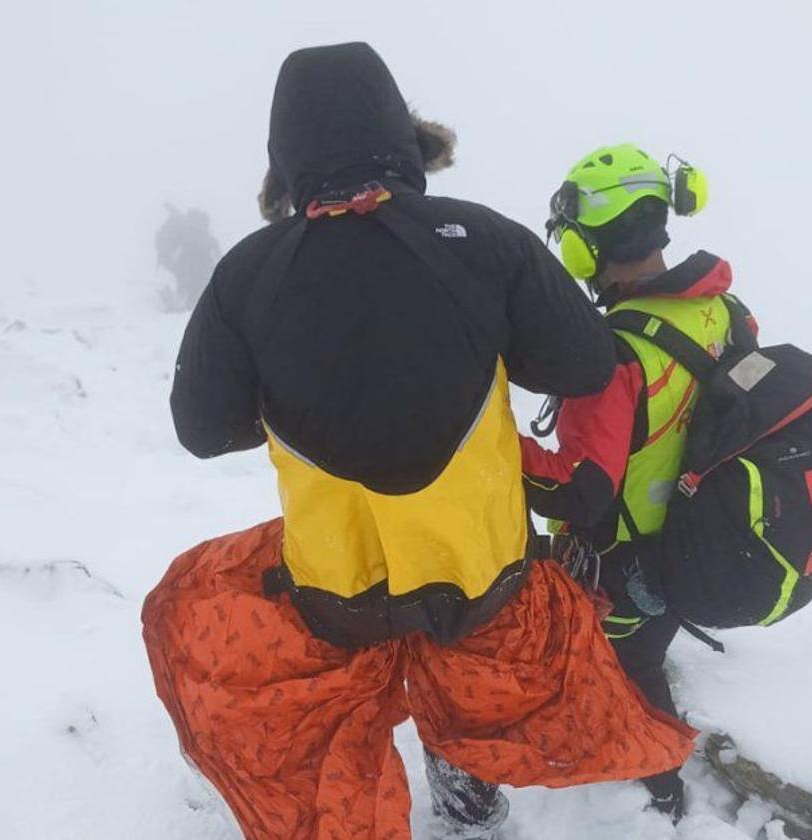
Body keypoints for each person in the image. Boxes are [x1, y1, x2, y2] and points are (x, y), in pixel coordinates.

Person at [142, 48, 695, 840]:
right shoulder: (485, 240)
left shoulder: (246, 274)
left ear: (285, 159)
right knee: (464, 682)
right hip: (482, 574)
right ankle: (470, 816)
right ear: (403, 137)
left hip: (335, 587)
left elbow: (200, 430)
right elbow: (584, 363)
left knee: (302, 685)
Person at [522, 142, 756, 820]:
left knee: (634, 667)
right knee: (643, 652)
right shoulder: (723, 311)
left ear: (585, 252)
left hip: (626, 563)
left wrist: (494, 454)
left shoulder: (613, 353)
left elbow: (578, 490)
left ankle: (660, 785)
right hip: (702, 535)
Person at [155, 202, 221, 310]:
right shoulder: (207, 240)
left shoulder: (187, 237)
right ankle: (183, 302)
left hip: (189, 275)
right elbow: (219, 260)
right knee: (192, 293)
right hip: (197, 276)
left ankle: (180, 302)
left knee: (188, 290)